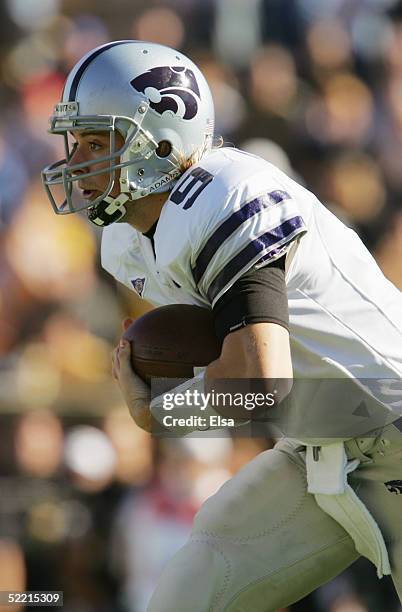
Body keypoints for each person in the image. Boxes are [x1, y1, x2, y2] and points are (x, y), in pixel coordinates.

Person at [42, 40, 402, 611]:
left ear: (159, 143)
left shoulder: (224, 198)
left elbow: (261, 384)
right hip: (321, 450)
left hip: (393, 423)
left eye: (95, 142)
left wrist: (159, 412)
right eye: (74, 143)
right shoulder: (126, 241)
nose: (77, 163)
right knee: (187, 595)